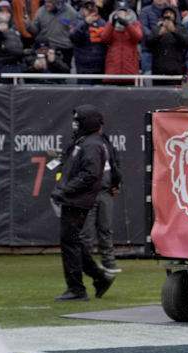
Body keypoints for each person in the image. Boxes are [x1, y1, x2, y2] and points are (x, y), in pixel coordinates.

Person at [51, 105, 116, 302]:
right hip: (74, 197)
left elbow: (90, 174)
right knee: (74, 242)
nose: (74, 124)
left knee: (70, 242)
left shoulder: (91, 144)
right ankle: (99, 277)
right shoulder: (86, 141)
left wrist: (65, 189)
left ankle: (77, 289)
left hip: (77, 199)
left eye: (78, 121)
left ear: (88, 123)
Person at [79, 133, 123, 272]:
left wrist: (117, 182)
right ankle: (85, 264)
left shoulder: (106, 142)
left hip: (105, 191)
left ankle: (108, 262)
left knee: (106, 229)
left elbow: (115, 163)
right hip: (88, 193)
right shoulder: (81, 142)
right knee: (86, 232)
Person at [25, 0, 79, 67]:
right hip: (45, 48)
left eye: (49, 2)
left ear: (58, 2)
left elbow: (76, 34)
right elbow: (35, 32)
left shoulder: (71, 13)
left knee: (64, 73)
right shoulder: (41, 11)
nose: (46, 4)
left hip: (64, 50)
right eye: (45, 2)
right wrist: (28, 25)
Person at [147, 5, 188, 83]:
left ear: (175, 15)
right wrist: (159, 34)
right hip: (159, 71)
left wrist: (174, 31)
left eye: (171, 13)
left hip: (176, 71)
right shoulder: (157, 28)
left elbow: (186, 42)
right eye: (166, 13)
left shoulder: (181, 28)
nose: (168, 15)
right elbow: (149, 44)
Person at [101, 0, 142, 84]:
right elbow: (105, 39)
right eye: (119, 12)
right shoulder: (110, 22)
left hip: (130, 67)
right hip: (113, 67)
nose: (121, 14)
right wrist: (112, 24)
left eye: (124, 12)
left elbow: (138, 37)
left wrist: (127, 25)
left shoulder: (135, 23)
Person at [69, 0, 107, 84]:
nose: (90, 9)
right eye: (87, 8)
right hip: (84, 67)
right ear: (82, 9)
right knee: (85, 94)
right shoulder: (77, 22)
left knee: (101, 94)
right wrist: (85, 23)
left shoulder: (102, 22)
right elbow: (73, 38)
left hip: (100, 66)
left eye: (92, 7)